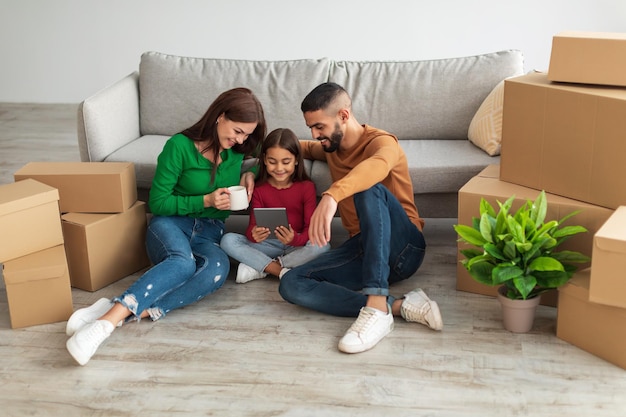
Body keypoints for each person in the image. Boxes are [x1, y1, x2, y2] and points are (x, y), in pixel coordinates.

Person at [65, 88, 267, 365]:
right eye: (238, 130)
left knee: (217, 272)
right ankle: (105, 324)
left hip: (210, 232)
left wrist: (250, 172)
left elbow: (273, 152)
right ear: (221, 116)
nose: (241, 139)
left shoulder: (239, 149)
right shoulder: (179, 146)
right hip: (171, 224)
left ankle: (119, 307)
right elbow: (158, 202)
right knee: (183, 264)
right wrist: (205, 199)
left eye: (246, 134)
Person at [278, 82, 443, 354]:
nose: (315, 134)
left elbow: (375, 167)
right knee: (291, 283)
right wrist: (250, 161)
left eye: (319, 126)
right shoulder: (331, 145)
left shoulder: (382, 143)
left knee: (369, 189)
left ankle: (377, 305)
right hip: (363, 248)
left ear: (343, 116)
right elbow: (298, 148)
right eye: (311, 127)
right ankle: (399, 306)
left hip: (404, 248)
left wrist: (332, 196)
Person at [221, 128, 330, 284]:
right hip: (267, 244)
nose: (279, 168)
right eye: (272, 162)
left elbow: (310, 229)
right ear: (264, 160)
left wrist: (295, 239)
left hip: (296, 245)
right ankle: (281, 270)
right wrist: (254, 234)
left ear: (296, 160)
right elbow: (252, 228)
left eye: (286, 162)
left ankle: (262, 267)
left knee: (322, 245)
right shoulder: (259, 189)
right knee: (228, 240)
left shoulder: (306, 187)